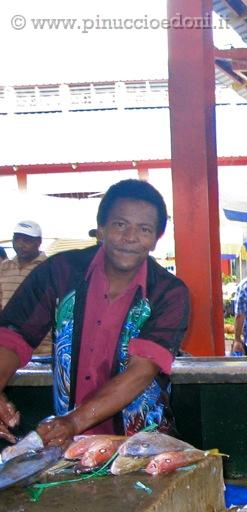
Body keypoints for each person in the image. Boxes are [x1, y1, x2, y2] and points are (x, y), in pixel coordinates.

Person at [0, 179, 190, 445]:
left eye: (144, 229)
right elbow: (13, 335)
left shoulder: (168, 293)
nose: (130, 237)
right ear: (101, 228)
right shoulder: (60, 272)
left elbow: (142, 370)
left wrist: (74, 422)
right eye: (120, 224)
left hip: (142, 446)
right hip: (67, 443)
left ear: (156, 240)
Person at [1, 221, 52, 355]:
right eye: (16, 239)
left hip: (41, 347)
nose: (20, 244)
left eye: (26, 240)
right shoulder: (4, 267)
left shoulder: (51, 268)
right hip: (8, 344)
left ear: (39, 242)